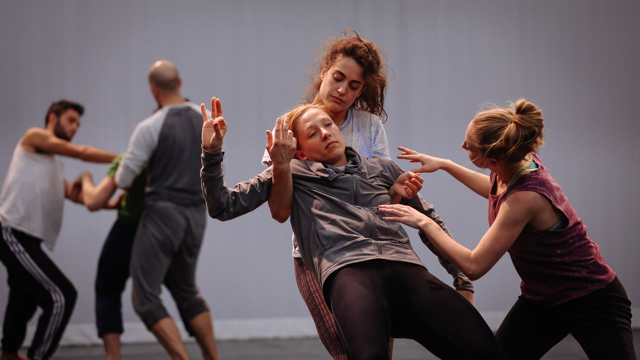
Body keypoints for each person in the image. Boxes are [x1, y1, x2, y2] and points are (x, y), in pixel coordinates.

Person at [200, 99, 509, 360]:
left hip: (407, 268)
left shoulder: (383, 169)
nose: (325, 133)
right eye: (313, 133)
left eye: (328, 125)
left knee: (486, 350)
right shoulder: (291, 173)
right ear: (300, 151)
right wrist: (212, 154)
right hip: (350, 271)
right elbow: (224, 206)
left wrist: (460, 276)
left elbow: (429, 221)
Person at [262, 30, 473, 360]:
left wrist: (398, 191)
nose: (343, 90)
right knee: (347, 351)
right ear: (324, 73)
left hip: (380, 255)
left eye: (355, 85)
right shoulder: (291, 127)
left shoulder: (369, 126)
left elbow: (385, 201)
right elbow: (280, 209)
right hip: (322, 255)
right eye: (338, 78)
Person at [379, 99, 637, 359]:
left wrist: (423, 221)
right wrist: (446, 164)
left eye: (469, 145)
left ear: (491, 160)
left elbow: (474, 266)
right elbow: (496, 191)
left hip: (592, 299)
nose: (463, 145)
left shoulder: (525, 197)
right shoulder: (515, 159)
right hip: (542, 301)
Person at [114, 60, 221, 360]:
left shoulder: (151, 125)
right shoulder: (207, 120)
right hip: (197, 217)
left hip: (162, 215)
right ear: (180, 82)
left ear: (154, 90)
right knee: (186, 290)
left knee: (145, 298)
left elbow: (123, 178)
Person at [0, 100, 117, 360]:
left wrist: (115, 205)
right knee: (61, 296)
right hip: (11, 232)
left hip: (28, 239)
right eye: (71, 120)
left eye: (78, 123)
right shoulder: (34, 137)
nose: (75, 127)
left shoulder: (51, 166)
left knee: (23, 299)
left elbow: (80, 198)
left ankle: (8, 354)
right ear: (53, 117)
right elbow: (82, 152)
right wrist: (125, 159)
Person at [75, 154, 146, 360]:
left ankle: (113, 357)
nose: (74, 128)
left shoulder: (132, 159)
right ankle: (210, 355)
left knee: (107, 290)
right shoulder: (173, 159)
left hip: (129, 229)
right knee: (180, 294)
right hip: (165, 229)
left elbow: (93, 202)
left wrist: (85, 177)